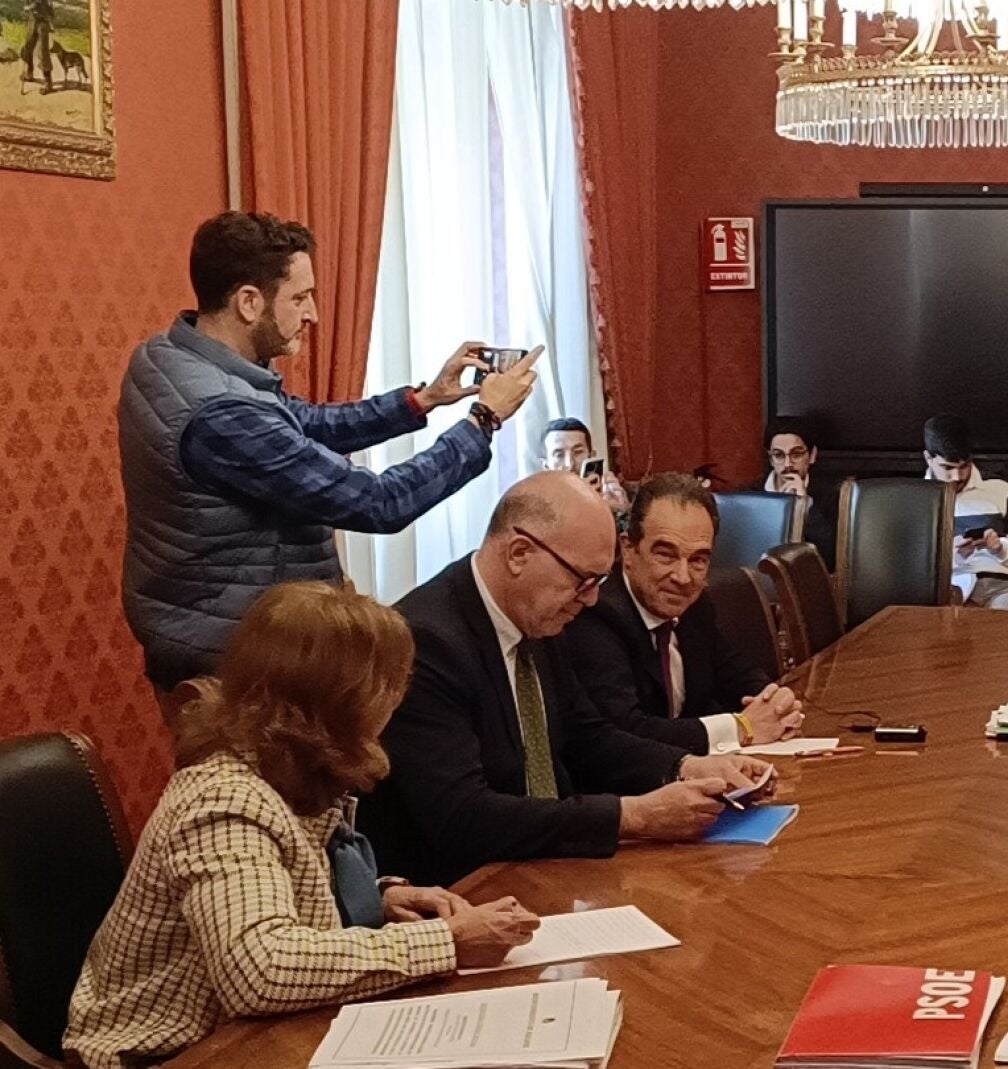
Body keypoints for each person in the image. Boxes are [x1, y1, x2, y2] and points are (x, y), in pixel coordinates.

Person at [65, 583, 541, 1069]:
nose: (399, 700)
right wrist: (448, 941)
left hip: (251, 1038)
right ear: (344, 700)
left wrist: (376, 897)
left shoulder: (285, 768)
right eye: (392, 684)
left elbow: (275, 883)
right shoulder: (224, 801)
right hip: (168, 1056)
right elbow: (261, 970)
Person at [120, 212, 538, 717]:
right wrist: (484, 420)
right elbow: (379, 503)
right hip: (237, 665)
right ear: (249, 302)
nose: (313, 313)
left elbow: (305, 424)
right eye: (299, 298)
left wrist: (422, 400)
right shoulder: (222, 414)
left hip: (222, 636)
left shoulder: (172, 358)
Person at [356, 473, 774, 887]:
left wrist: (686, 767)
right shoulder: (424, 643)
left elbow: (586, 736)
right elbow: (462, 817)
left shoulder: (538, 615)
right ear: (519, 553)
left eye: (599, 582)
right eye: (583, 580)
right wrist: (633, 816)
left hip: (548, 866)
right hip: (461, 888)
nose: (591, 599)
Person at [559, 472, 805, 754]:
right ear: (628, 550)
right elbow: (624, 730)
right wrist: (740, 728)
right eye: (666, 555)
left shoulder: (695, 605)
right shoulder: (596, 616)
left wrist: (776, 704)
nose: (683, 577)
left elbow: (737, 675)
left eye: (698, 559)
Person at [923, 414, 1008, 610]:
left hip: (999, 586)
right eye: (947, 468)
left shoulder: (1000, 489)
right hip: (941, 589)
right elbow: (902, 566)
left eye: (964, 466)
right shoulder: (914, 499)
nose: (957, 476)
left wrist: (1000, 548)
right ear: (928, 458)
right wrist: (947, 556)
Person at [757, 416, 838, 568]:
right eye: (778, 455)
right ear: (770, 459)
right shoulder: (752, 495)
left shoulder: (832, 496)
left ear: (812, 455)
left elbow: (832, 556)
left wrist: (806, 506)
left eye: (796, 454)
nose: (787, 464)